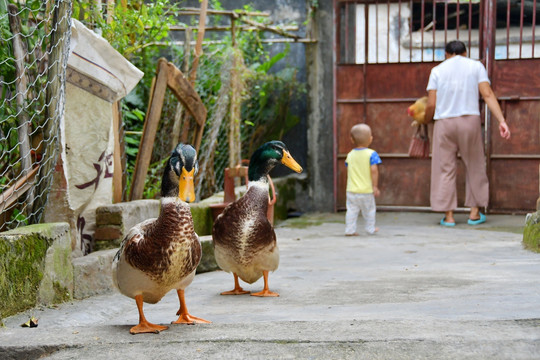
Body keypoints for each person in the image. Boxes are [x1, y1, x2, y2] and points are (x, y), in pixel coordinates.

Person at [424, 40, 511, 227]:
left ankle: (448, 216)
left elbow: (431, 104)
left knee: (445, 167)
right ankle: (474, 213)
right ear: (465, 53)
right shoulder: (476, 66)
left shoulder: (437, 71)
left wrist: (426, 119)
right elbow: (487, 94)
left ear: (447, 54)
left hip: (444, 123)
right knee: (475, 165)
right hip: (469, 121)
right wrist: (501, 121)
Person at [345, 123, 382, 236]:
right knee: (369, 211)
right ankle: (370, 229)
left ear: (351, 140)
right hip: (366, 191)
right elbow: (374, 170)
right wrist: (375, 186)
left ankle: (349, 230)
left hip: (351, 190)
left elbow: (348, 168)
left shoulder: (350, 155)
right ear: (370, 139)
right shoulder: (371, 154)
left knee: (351, 211)